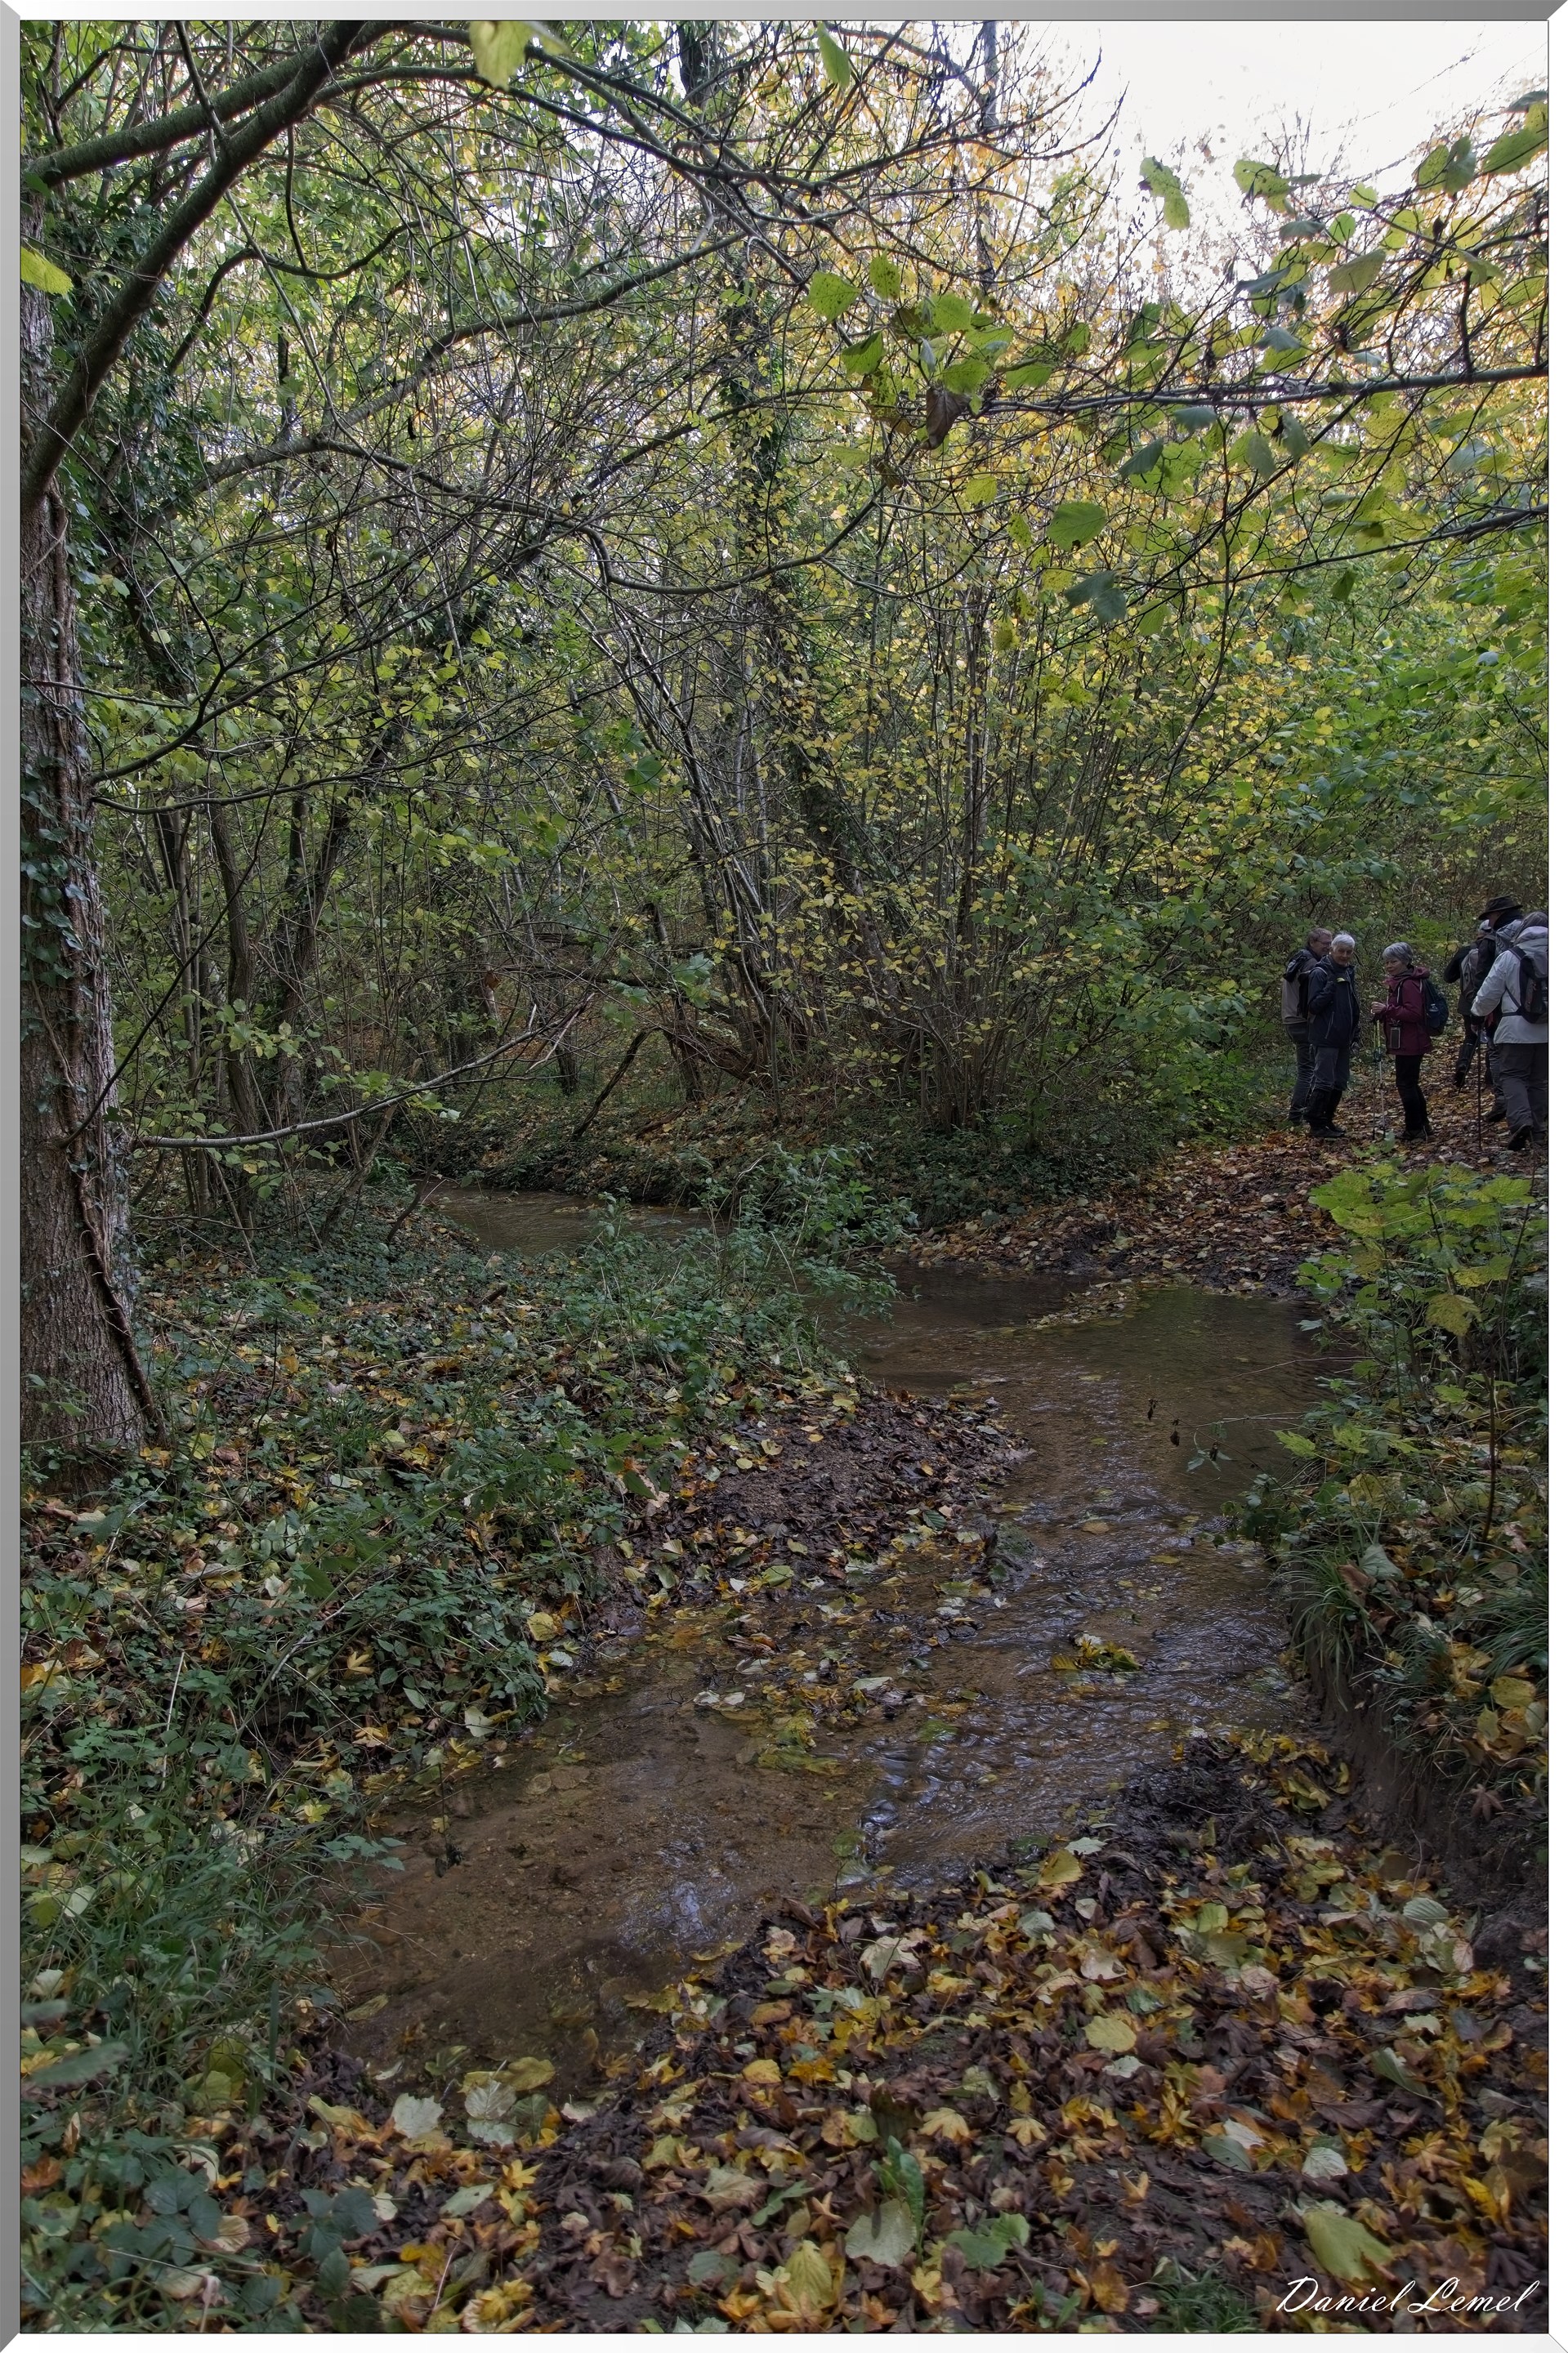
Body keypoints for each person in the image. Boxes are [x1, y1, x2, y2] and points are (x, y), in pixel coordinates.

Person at [1472, 910, 1548, 1150]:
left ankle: (1521, 1121)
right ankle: (1538, 1130)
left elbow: (1488, 994)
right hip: (1550, 1030)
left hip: (1514, 1030)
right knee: (1539, 1080)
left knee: (1513, 1076)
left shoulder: (1509, 957)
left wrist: (1477, 1014)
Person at [1369, 943, 1435, 1143]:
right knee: (1410, 1084)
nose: (1389, 966)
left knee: (1406, 1085)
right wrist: (1385, 1012)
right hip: (1408, 1040)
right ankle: (1422, 1126)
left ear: (1405, 961)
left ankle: (1414, 1129)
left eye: (1393, 961)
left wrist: (1386, 1010)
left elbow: (1414, 1013)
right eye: (1387, 962)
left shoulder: (1408, 984)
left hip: (1411, 1041)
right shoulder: (1402, 981)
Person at [1304, 933, 1360, 1140]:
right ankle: (1316, 1124)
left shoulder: (1348, 971)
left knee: (1340, 1081)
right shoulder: (1320, 973)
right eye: (1341, 951)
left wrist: (1356, 1031)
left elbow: (1351, 1004)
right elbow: (1314, 1006)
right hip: (1325, 1037)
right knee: (1324, 1081)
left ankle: (1327, 1120)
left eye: (1349, 952)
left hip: (1344, 1038)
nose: (1345, 956)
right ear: (1332, 950)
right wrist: (1330, 987)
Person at [1282, 927, 1333, 1123]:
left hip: (1291, 1019)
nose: (1328, 948)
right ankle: (1296, 1116)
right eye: (1325, 944)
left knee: (1307, 1069)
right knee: (1308, 1071)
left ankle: (1301, 1114)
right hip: (1302, 1021)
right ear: (1312, 943)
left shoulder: (1299, 959)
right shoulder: (1311, 964)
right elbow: (1312, 997)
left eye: (1330, 943)